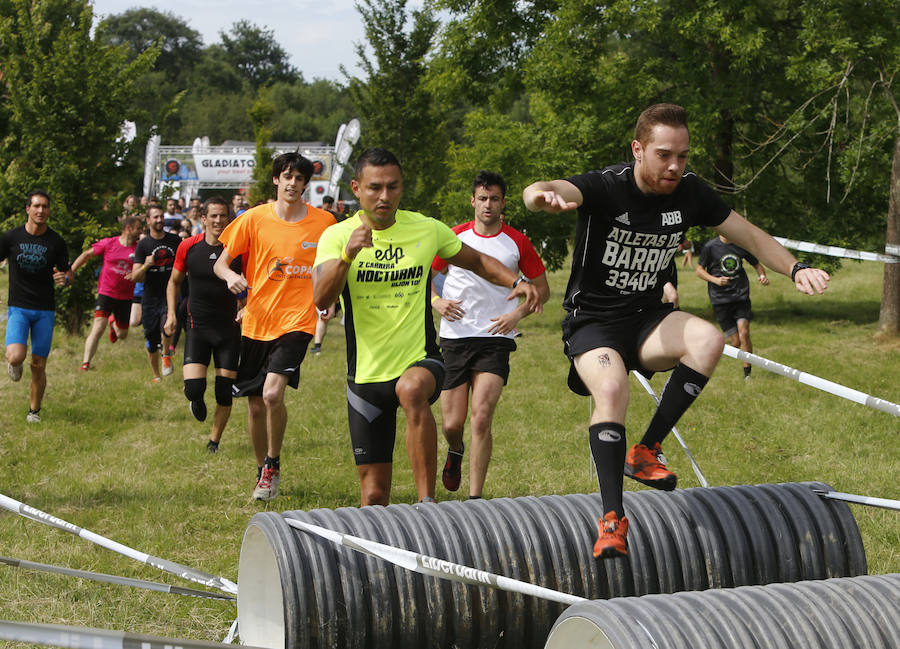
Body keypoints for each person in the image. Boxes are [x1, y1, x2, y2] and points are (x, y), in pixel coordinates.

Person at [522, 103, 829, 559]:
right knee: (612, 387)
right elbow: (541, 188)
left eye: (683, 157)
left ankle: (646, 449)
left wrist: (796, 267)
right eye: (664, 154)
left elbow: (751, 236)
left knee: (708, 339)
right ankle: (611, 519)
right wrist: (541, 196)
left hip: (648, 320)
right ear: (638, 149)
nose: (674, 166)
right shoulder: (608, 186)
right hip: (594, 323)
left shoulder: (690, 193)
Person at [313, 148, 542, 506]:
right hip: (365, 376)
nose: (384, 196)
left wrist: (515, 282)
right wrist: (347, 257)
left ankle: (427, 504)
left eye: (393, 187)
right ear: (356, 188)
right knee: (373, 496)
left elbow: (478, 260)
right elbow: (320, 298)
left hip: (422, 360)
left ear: (402, 188)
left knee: (411, 389)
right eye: (375, 188)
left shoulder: (425, 228)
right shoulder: (337, 236)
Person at [214, 152, 336, 501]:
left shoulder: (324, 222)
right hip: (257, 321)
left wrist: (329, 299)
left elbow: (332, 267)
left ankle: (272, 462)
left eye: (300, 179)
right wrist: (231, 277)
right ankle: (261, 471)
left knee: (271, 394)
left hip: (298, 320)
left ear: (306, 184)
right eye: (287, 177)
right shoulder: (253, 219)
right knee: (254, 405)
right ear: (276, 180)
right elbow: (220, 264)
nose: (293, 184)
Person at [431, 171, 550, 499]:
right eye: (482, 198)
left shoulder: (517, 242)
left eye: (494, 198)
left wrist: (515, 315)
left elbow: (541, 290)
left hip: (496, 337)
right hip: (455, 335)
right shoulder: (454, 237)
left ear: (503, 203)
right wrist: (436, 301)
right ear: (472, 201)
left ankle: (475, 498)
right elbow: (424, 274)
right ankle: (455, 450)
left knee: (481, 416)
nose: (487, 204)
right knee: (452, 424)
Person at [165, 197, 242, 452]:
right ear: (203, 219)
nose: (219, 221)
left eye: (223, 216)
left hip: (229, 330)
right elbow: (174, 282)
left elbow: (252, 283)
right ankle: (195, 399)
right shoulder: (188, 246)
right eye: (214, 216)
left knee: (224, 393)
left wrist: (246, 309)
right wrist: (172, 315)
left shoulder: (238, 249)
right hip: (197, 326)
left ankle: (214, 441)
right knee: (194, 388)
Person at [1, 190, 71, 423]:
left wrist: (66, 278)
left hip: (44, 310)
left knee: (38, 365)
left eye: (45, 207)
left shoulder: (56, 242)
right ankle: (14, 364)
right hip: (19, 307)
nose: (41, 211)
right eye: (37, 206)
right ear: (28, 209)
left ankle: (34, 412)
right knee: (15, 356)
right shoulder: (11, 238)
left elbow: (66, 271)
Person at [71, 216, 144, 371]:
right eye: (138, 228)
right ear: (128, 228)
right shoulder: (109, 243)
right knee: (98, 327)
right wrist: (71, 271)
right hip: (106, 292)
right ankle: (85, 364)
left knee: (123, 334)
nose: (141, 231)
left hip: (126, 296)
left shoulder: (138, 249)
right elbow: (86, 255)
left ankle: (113, 321)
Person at [696, 234, 769, 379]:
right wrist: (715, 280)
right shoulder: (710, 247)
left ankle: (747, 374)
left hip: (740, 296)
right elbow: (699, 270)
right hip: (720, 300)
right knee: (735, 342)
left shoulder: (740, 244)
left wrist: (762, 276)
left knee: (744, 333)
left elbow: (757, 264)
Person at [131, 204, 182, 383]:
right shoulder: (143, 245)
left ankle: (166, 354)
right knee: (151, 340)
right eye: (156, 217)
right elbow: (135, 277)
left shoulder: (175, 241)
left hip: (171, 293)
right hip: (150, 297)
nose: (160, 220)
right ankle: (156, 375)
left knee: (167, 326)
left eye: (161, 216)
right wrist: (147, 265)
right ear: (148, 221)